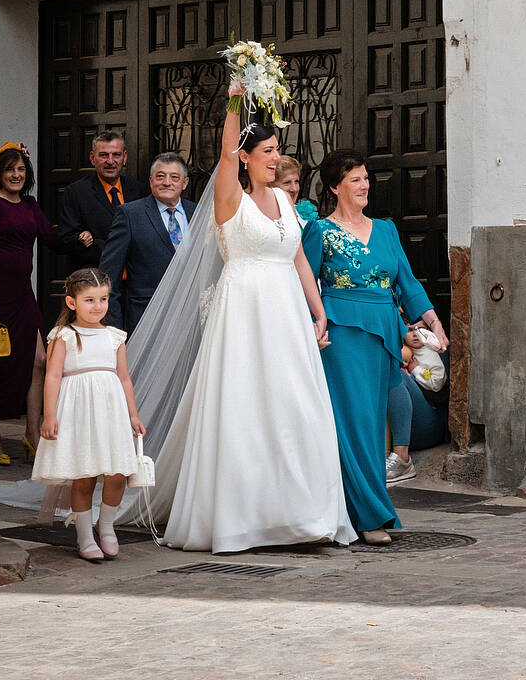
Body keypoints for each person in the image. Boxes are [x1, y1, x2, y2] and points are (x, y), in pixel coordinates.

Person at [128, 83, 356, 553]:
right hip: (244, 313)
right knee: (247, 408)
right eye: (269, 151)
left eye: (278, 151)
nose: (277, 159)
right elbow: (226, 156)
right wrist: (234, 98)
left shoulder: (287, 203)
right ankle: (244, 519)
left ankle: (302, 514)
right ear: (247, 157)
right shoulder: (230, 198)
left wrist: (319, 312)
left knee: (298, 408)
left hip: (287, 314)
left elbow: (297, 260)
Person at [305, 149, 449, 542]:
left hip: (385, 332)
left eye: (366, 177)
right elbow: (303, 284)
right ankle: (370, 516)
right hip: (342, 334)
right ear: (335, 187)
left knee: (373, 425)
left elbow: (408, 281)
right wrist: (312, 326)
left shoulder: (386, 229)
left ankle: (364, 509)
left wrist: (434, 321)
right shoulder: (320, 231)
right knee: (353, 424)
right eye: (355, 179)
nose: (365, 184)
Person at [31, 268, 144, 562]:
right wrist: (49, 415)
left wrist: (133, 415)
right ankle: (84, 535)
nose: (98, 306)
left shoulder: (114, 337)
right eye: (90, 300)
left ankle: (106, 526)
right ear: (72, 303)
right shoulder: (64, 336)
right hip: (78, 412)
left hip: (111, 412)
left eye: (103, 299)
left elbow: (124, 379)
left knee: (117, 473)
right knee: (85, 475)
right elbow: (53, 377)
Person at [0, 142, 57, 465]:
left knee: (38, 359)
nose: (16, 175)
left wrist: (83, 237)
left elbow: (50, 238)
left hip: (23, 293)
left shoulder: (31, 206)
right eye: (10, 170)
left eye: (21, 170)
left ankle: (32, 434)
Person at [99, 153, 196, 335]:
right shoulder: (129, 214)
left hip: (191, 317)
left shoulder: (198, 213)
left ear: (184, 183)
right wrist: (115, 328)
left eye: (174, 177)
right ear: (151, 181)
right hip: (146, 317)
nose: (167, 182)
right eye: (160, 176)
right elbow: (109, 276)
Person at [57, 131, 146, 269]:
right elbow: (66, 240)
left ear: (125, 157)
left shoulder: (140, 191)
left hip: (135, 281)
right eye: (103, 155)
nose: (110, 161)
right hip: (96, 281)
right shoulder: (75, 193)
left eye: (116, 154)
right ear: (92, 158)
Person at [386, 328, 449, 486]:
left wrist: (415, 370)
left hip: (428, 425)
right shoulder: (401, 348)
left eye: (420, 330)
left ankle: (402, 458)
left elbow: (438, 386)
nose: (415, 334)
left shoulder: (431, 351)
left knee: (395, 375)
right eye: (409, 329)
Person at [276, 155, 319, 226]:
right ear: (271, 185)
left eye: (296, 182)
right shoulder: (263, 216)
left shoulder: (303, 213)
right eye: (287, 183)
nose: (294, 189)